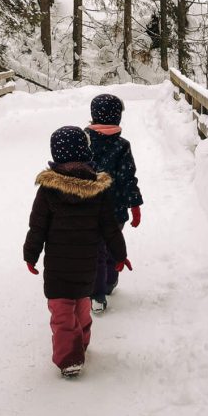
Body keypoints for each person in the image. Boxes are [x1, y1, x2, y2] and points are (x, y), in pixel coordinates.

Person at [24, 126, 131, 378]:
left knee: (62, 314)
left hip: (58, 268)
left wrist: (30, 255)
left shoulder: (48, 190)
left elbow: (37, 227)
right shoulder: (97, 190)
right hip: (87, 266)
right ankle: (80, 342)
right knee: (82, 307)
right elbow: (110, 227)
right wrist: (120, 254)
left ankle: (69, 357)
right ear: (85, 151)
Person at [85, 94, 143, 313]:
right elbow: (128, 177)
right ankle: (109, 282)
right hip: (115, 209)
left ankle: (97, 294)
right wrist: (134, 204)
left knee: (95, 252)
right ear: (117, 117)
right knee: (111, 246)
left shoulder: (84, 141)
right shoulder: (122, 145)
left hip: (89, 208)